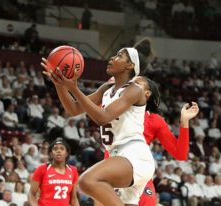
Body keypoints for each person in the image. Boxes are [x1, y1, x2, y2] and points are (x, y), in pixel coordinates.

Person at [42, 39, 156, 205]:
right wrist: (60, 84)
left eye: (119, 56)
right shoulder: (106, 89)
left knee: (87, 181)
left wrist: (73, 88)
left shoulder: (134, 90)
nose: (111, 58)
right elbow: (73, 109)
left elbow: (103, 117)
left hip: (134, 155)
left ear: (129, 66)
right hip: (117, 156)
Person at [102, 76, 199, 206]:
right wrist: (107, 87)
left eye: (136, 83)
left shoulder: (155, 120)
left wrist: (184, 121)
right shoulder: (111, 107)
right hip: (111, 173)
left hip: (139, 176)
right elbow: (82, 106)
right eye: (130, 82)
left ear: (147, 94)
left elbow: (180, 154)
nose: (130, 84)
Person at [28, 139, 79, 206]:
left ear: (66, 154)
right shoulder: (42, 168)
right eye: (55, 149)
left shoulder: (73, 170)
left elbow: (74, 199)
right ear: (51, 154)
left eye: (62, 149)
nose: (58, 151)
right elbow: (31, 193)